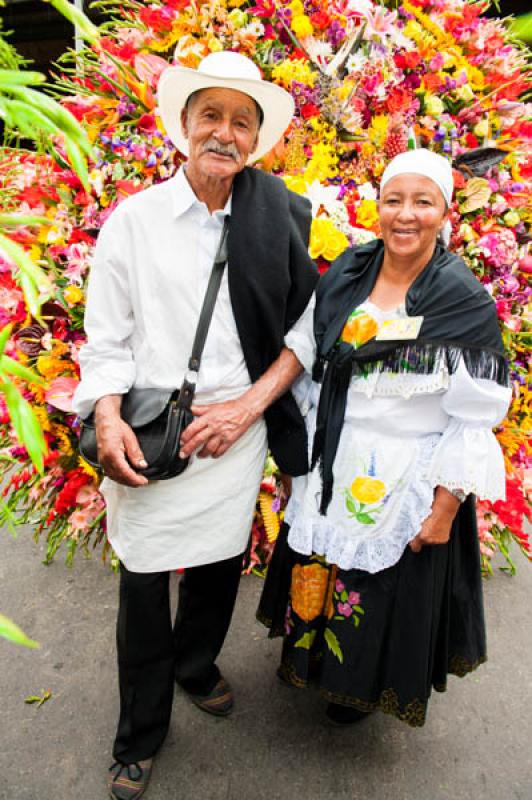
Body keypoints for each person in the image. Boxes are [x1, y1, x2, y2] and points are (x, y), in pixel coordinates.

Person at [73, 51, 318, 799]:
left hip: (234, 430)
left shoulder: (278, 213)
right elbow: (106, 338)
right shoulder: (135, 222)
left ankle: (195, 664)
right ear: (182, 125)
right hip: (151, 432)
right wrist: (107, 414)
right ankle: (139, 733)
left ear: (255, 140)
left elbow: (308, 330)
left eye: (241, 121)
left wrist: (247, 408)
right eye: (210, 115)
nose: (225, 132)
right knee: (145, 583)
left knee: (217, 565)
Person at [258, 149, 511, 728]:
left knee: (377, 593)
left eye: (423, 202)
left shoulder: (460, 298)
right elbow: (306, 342)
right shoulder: (349, 270)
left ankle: (358, 689)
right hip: (334, 460)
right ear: (377, 209)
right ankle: (319, 667)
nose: (406, 214)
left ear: (445, 212)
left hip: (403, 479)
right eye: (394, 200)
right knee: (323, 572)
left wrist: (445, 508)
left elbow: (474, 416)